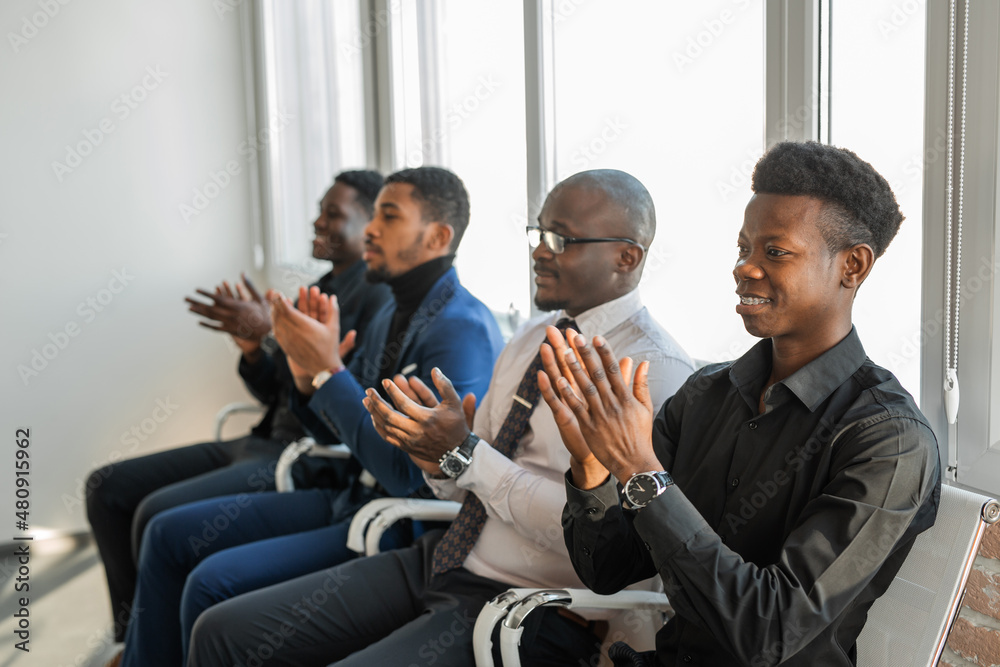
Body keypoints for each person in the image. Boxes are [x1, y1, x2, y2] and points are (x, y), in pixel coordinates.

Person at [186, 169, 696, 667]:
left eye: (562, 239)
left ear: (627, 256)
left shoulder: (655, 373)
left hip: (531, 606)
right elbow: (467, 487)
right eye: (538, 233)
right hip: (449, 555)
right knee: (223, 632)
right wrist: (435, 455)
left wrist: (466, 455)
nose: (540, 250)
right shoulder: (528, 339)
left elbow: (611, 544)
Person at [546, 142, 941, 666]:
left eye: (775, 252)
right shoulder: (705, 397)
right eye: (743, 248)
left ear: (853, 265)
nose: (744, 268)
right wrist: (592, 469)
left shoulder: (888, 440)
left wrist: (639, 468)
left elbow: (768, 633)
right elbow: (607, 569)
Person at [118, 166, 504, 667]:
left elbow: (410, 475)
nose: (371, 229)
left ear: (437, 236)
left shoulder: (462, 329)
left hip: (396, 523)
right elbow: (339, 435)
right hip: (351, 497)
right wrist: (308, 378)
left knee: (211, 585)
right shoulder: (391, 310)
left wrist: (328, 371)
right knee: (171, 536)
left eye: (388, 216)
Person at [85, 170, 390, 648]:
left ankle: (152, 651)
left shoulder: (380, 298)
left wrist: (279, 336)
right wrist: (254, 346)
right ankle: (133, 641)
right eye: (320, 209)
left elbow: (348, 400)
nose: (317, 221)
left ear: (371, 224)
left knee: (156, 516)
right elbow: (275, 391)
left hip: (304, 456)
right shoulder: (321, 286)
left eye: (333, 214)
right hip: (262, 438)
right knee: (108, 488)